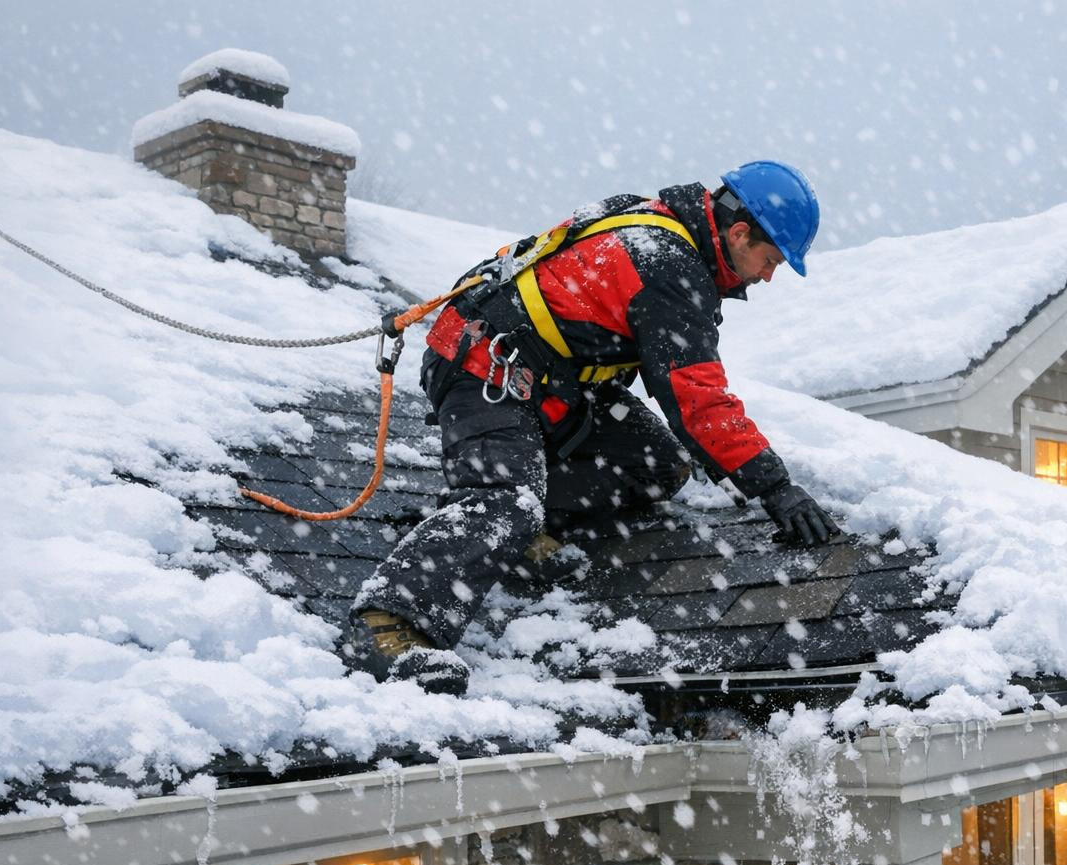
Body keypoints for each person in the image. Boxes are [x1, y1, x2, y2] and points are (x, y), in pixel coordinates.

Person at [348, 160, 838, 694]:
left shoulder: (655, 227)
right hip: (484, 370)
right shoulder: (668, 266)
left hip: (556, 388)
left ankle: (518, 537)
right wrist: (775, 488)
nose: (767, 277)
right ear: (739, 233)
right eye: (770, 261)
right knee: (507, 501)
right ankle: (390, 621)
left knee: (658, 466)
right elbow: (697, 401)